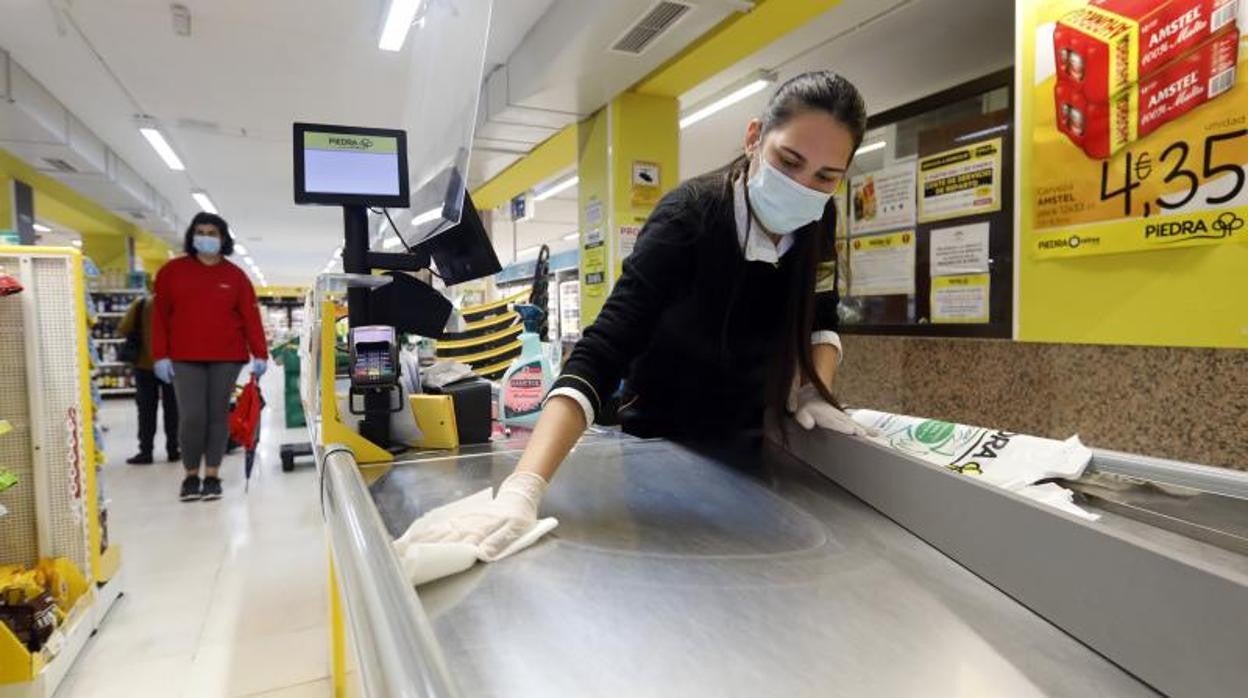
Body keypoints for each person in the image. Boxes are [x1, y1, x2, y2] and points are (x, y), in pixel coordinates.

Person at [408, 71, 872, 557]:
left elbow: (821, 315)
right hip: (660, 446)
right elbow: (604, 349)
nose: (803, 187)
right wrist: (524, 489)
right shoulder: (688, 218)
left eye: (826, 177)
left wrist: (812, 391)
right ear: (754, 136)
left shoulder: (819, 219)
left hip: (753, 442)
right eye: (789, 161)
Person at [152, 212, 268, 502]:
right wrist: (159, 355)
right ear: (192, 236)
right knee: (192, 416)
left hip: (227, 356)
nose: (206, 237)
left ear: (223, 238)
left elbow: (250, 317)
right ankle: (191, 474)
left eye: (212, 233)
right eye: (200, 232)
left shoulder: (235, 277)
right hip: (183, 356)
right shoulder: (172, 272)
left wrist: (260, 353)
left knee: (218, 416)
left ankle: (213, 474)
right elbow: (159, 318)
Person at [118, 293, 179, 464]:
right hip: (173, 365)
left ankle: (146, 451)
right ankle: (173, 449)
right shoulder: (179, 304)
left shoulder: (141, 303)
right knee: (173, 409)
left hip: (144, 365)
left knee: (146, 410)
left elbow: (124, 327)